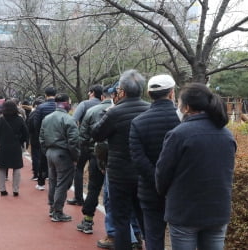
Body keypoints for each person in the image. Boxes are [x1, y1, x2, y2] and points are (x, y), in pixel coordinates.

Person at [155, 83, 236, 250]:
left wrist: (165, 194)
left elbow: (162, 174)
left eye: (178, 102)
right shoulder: (226, 135)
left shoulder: (178, 134)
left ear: (187, 107)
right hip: (217, 210)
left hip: (184, 211)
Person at [92, 69, 150, 250]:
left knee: (121, 218)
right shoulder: (149, 109)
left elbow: (97, 134)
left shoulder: (114, 113)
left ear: (122, 91)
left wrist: (109, 111)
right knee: (144, 216)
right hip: (144, 172)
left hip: (119, 173)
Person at [129, 74, 180, 250]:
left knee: (153, 236)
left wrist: (158, 181)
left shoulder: (138, 122)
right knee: (182, 237)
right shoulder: (183, 120)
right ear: (172, 93)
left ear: (149, 94)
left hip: (149, 189)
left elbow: (138, 158)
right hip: (179, 189)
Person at [76, 86, 112, 233]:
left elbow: (82, 136)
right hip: (119, 157)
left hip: (95, 156)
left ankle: (88, 221)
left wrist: (89, 150)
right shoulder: (124, 111)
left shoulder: (91, 111)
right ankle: (130, 231)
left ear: (102, 97)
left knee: (93, 188)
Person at [39, 93, 79, 222]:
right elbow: (73, 141)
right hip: (63, 154)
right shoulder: (68, 119)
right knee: (62, 183)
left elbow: (41, 138)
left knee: (53, 181)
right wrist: (75, 157)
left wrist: (46, 151)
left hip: (50, 152)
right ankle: (58, 211)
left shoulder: (47, 118)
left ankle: (52, 207)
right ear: (67, 103)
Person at [67, 84, 103, 206]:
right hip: (101, 144)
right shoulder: (106, 105)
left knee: (79, 168)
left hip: (85, 142)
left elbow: (73, 120)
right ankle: (93, 198)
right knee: (97, 171)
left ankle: (78, 198)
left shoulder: (84, 104)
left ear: (92, 92)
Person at [0, 100, 29, 196]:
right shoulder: (19, 119)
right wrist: (19, 142)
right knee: (16, 168)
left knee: (2, 168)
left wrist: (0, 142)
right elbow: (25, 133)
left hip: (3, 146)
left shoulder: (1, 120)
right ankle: (15, 190)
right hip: (15, 146)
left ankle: (2, 189)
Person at [33, 87, 57, 191]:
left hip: (44, 137)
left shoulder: (41, 107)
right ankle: (56, 183)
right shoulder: (59, 106)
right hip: (58, 137)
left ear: (45, 95)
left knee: (43, 160)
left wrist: (40, 135)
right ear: (55, 94)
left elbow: (36, 124)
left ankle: (41, 182)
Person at [26, 97, 45, 180]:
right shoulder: (47, 112)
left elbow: (29, 126)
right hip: (45, 137)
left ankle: (36, 173)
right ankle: (45, 173)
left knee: (36, 156)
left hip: (35, 137)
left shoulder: (33, 114)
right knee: (44, 155)